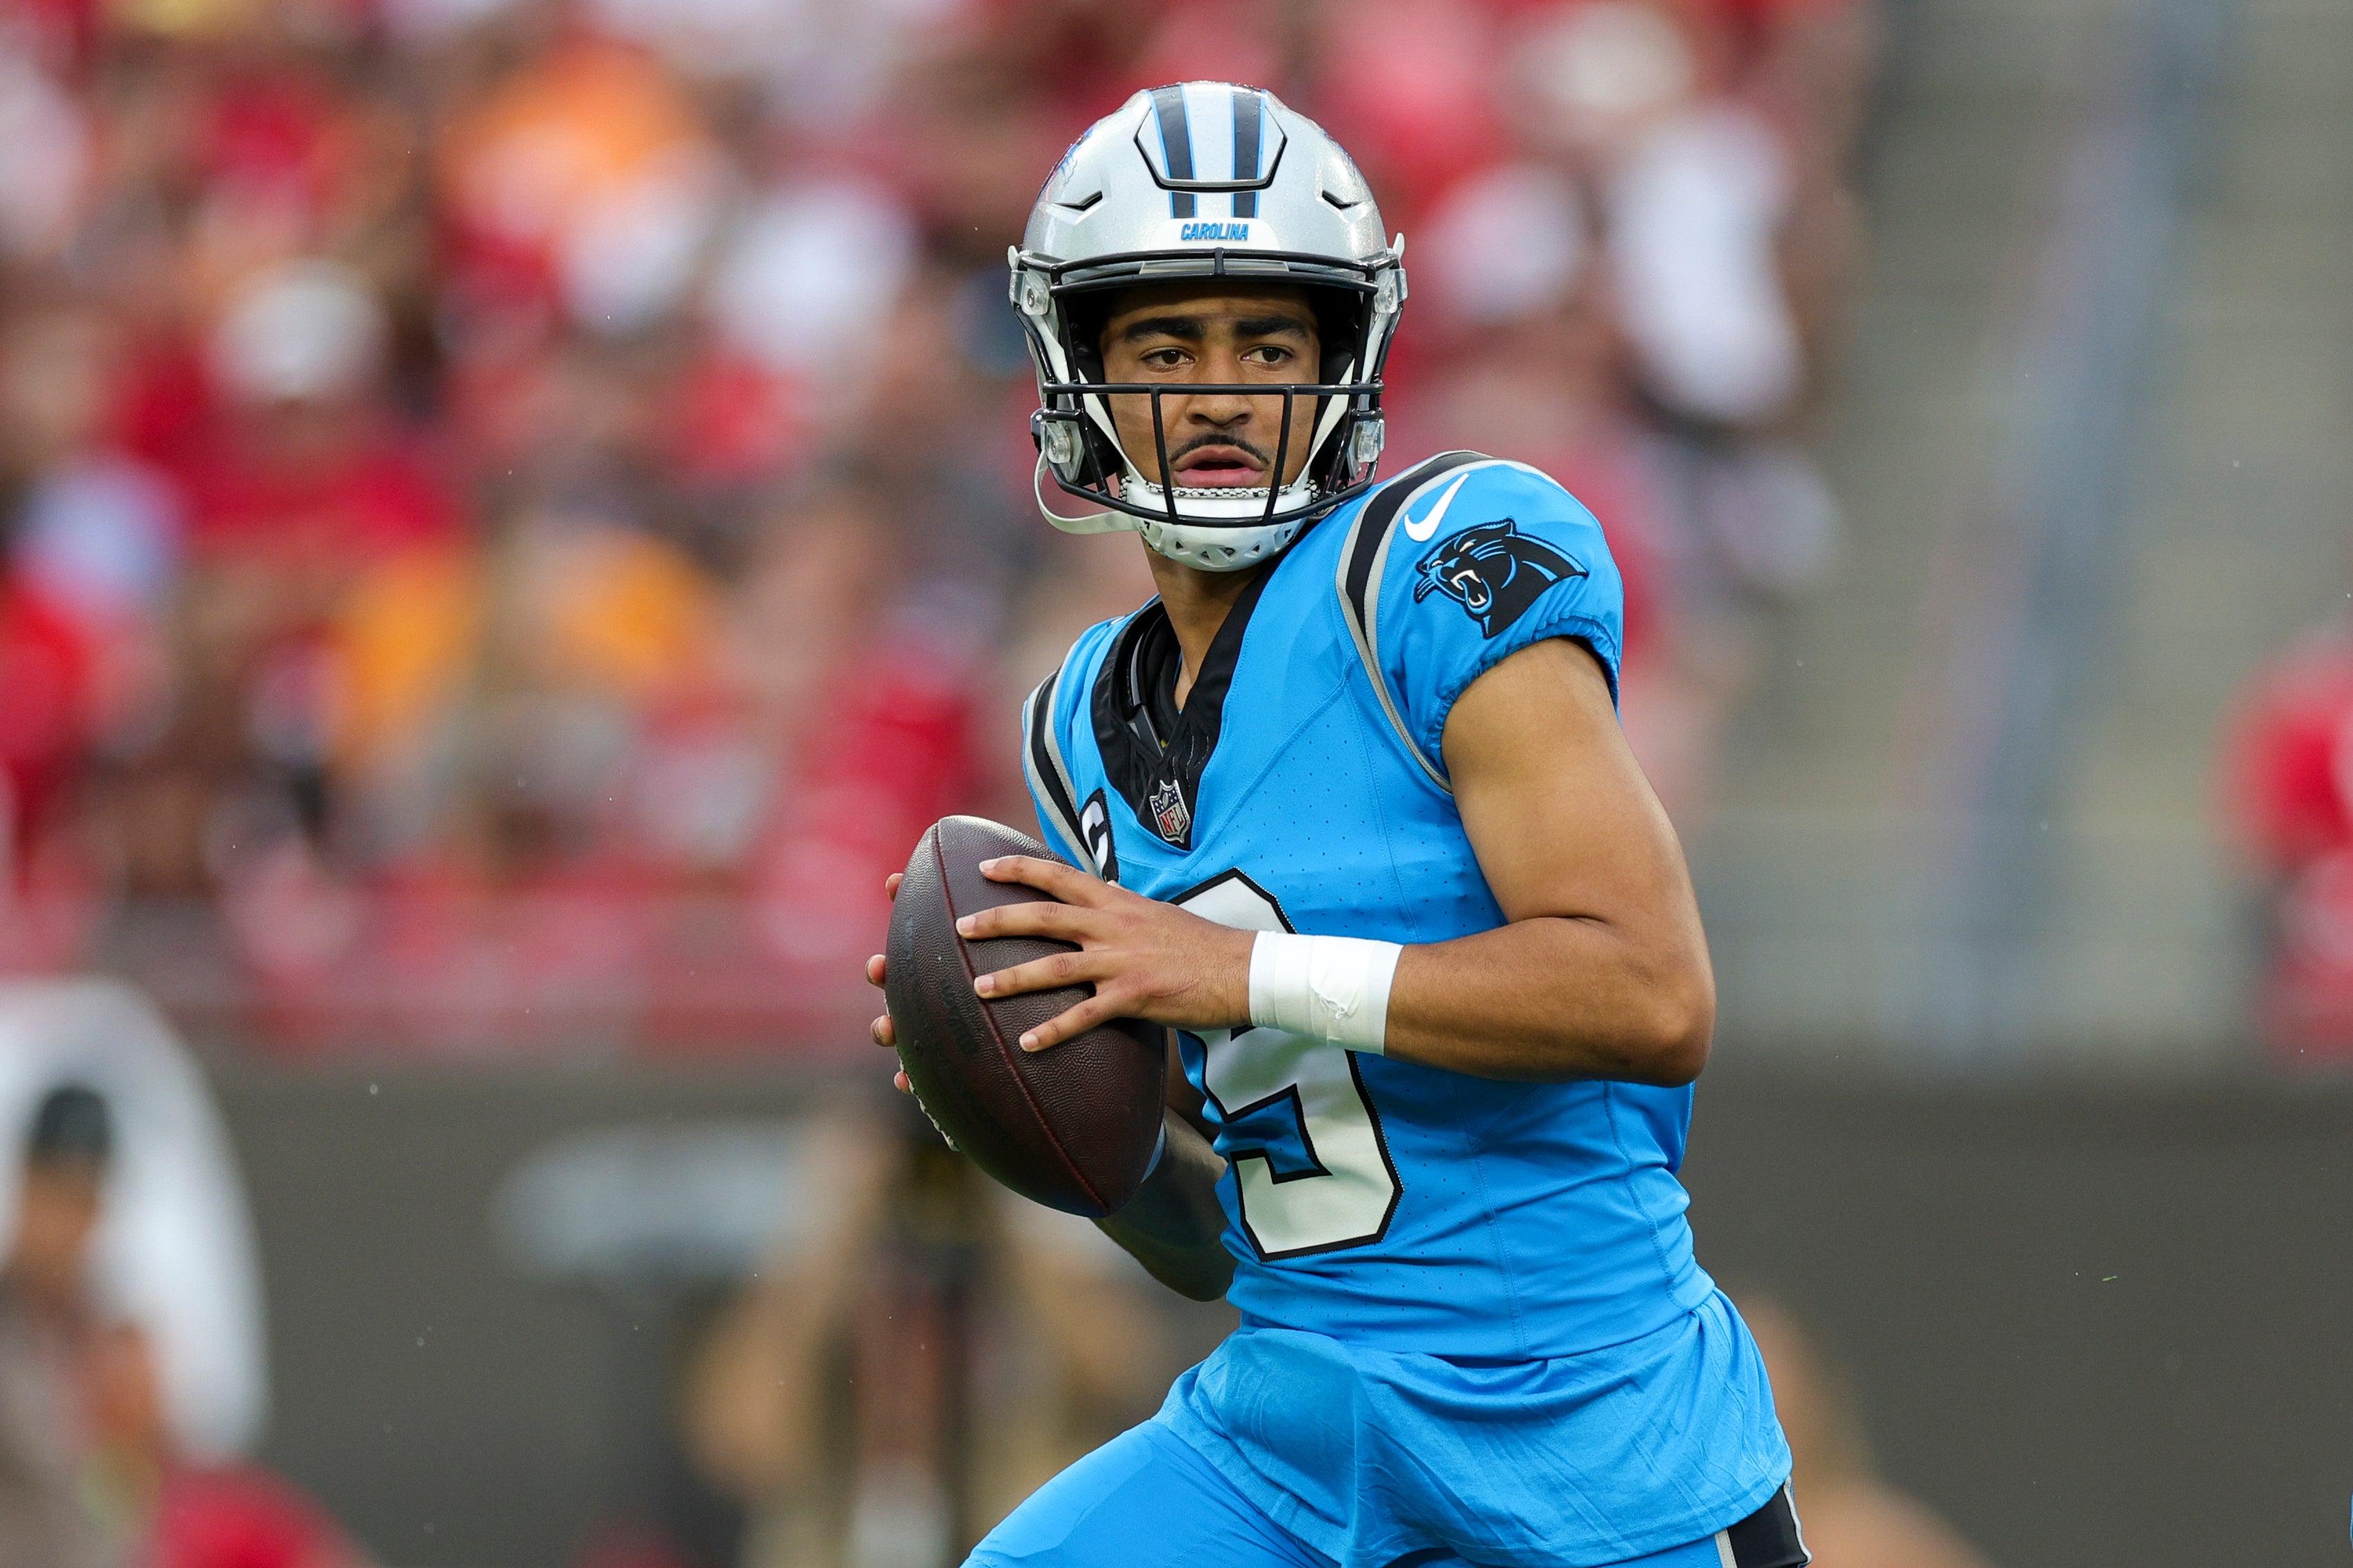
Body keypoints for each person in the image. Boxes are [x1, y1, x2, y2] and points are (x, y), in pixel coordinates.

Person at [867, 83, 1800, 1568]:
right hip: (1294, 1439)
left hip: (1589, 1437)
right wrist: (1021, 1099)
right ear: (1074, 375)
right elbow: (1214, 1236)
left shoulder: (1443, 567)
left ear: (1348, 359)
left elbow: (1650, 991)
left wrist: (1232, 975)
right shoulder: (1073, 726)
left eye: (1269, 342)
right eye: (1167, 345)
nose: (1222, 391)